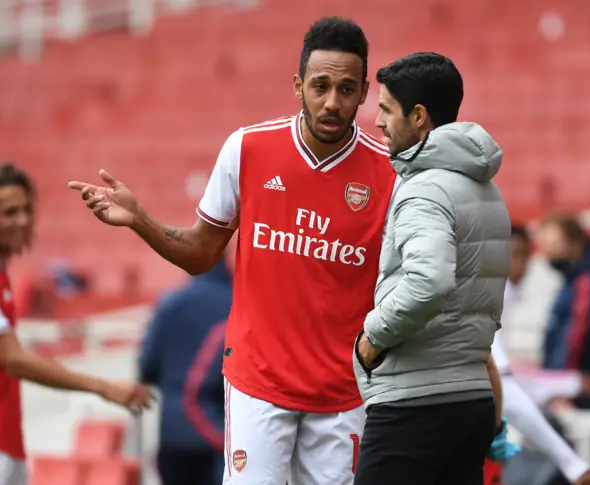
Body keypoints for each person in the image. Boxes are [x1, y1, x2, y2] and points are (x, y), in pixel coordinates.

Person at [69, 17, 397, 485]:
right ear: (297, 84)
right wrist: (140, 219)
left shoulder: (389, 173)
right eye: (320, 85)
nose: (332, 102)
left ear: (365, 91)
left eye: (346, 89)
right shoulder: (248, 149)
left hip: (344, 394)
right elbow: (203, 252)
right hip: (258, 384)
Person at [353, 52, 511, 485]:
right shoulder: (485, 187)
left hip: (416, 405)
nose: (378, 121)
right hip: (471, 398)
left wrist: (372, 338)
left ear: (419, 116)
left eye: (386, 109)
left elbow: (430, 281)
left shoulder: (425, 189)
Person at [0, 162, 154, 485]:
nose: (23, 220)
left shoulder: (5, 279)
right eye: (10, 212)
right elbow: (12, 359)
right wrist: (104, 387)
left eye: (26, 210)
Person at [488, 224, 590, 485]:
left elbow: (502, 375)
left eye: (524, 255)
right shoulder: (497, 292)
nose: (522, 264)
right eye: (517, 254)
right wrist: (571, 463)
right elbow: (504, 383)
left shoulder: (504, 292)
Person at [139, 239, 235, 485]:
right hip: (220, 439)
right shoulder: (237, 304)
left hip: (171, 439)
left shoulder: (170, 303)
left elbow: (146, 367)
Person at [536, 212, 590, 410]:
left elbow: (574, 335)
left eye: (553, 245)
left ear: (574, 242)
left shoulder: (588, 282)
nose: (548, 253)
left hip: (583, 392)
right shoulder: (576, 281)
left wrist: (561, 385)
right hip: (578, 386)